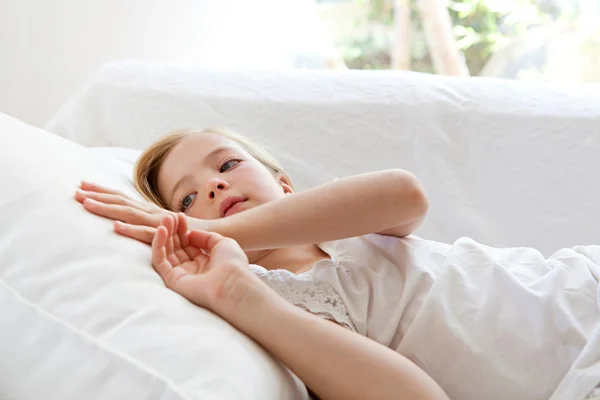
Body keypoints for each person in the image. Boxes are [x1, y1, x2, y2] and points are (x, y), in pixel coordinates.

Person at [74, 128, 600, 400]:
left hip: (579, 288)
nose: (213, 185)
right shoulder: (275, 297)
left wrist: (213, 225)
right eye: (186, 201)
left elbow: (405, 194)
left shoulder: (340, 223)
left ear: (283, 183)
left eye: (229, 164)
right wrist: (237, 291)